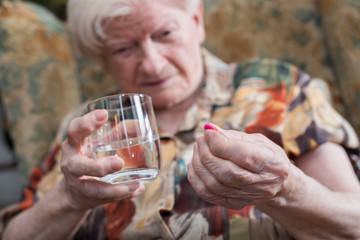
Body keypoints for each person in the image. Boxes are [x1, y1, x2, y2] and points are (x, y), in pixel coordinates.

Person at [2, 0, 360, 239]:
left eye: (165, 34)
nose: (153, 63)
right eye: (124, 49)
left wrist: (285, 191)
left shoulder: (277, 89)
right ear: (103, 59)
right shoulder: (86, 127)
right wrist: (69, 198)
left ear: (196, 21)